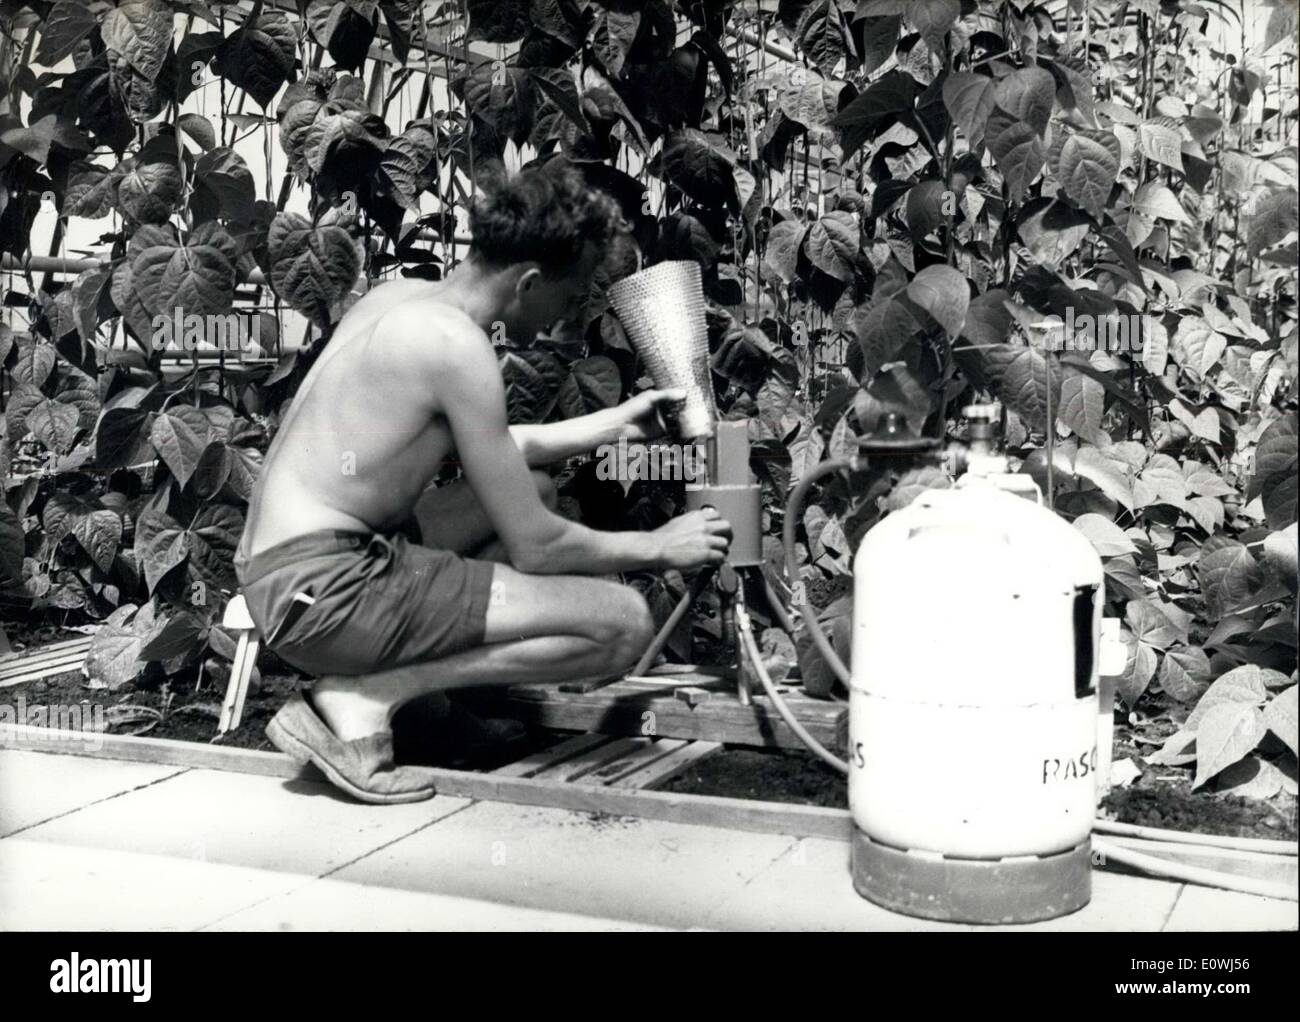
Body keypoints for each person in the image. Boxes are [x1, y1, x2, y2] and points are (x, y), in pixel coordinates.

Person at [236, 165, 732, 803]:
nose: (573, 312)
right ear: (529, 282)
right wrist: (662, 546)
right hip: (324, 593)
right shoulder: (458, 348)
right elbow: (540, 550)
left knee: (539, 490)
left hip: (281, 569)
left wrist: (606, 425)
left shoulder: (399, 299)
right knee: (622, 623)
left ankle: (430, 713)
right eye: (574, 293)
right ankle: (365, 698)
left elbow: (494, 450)